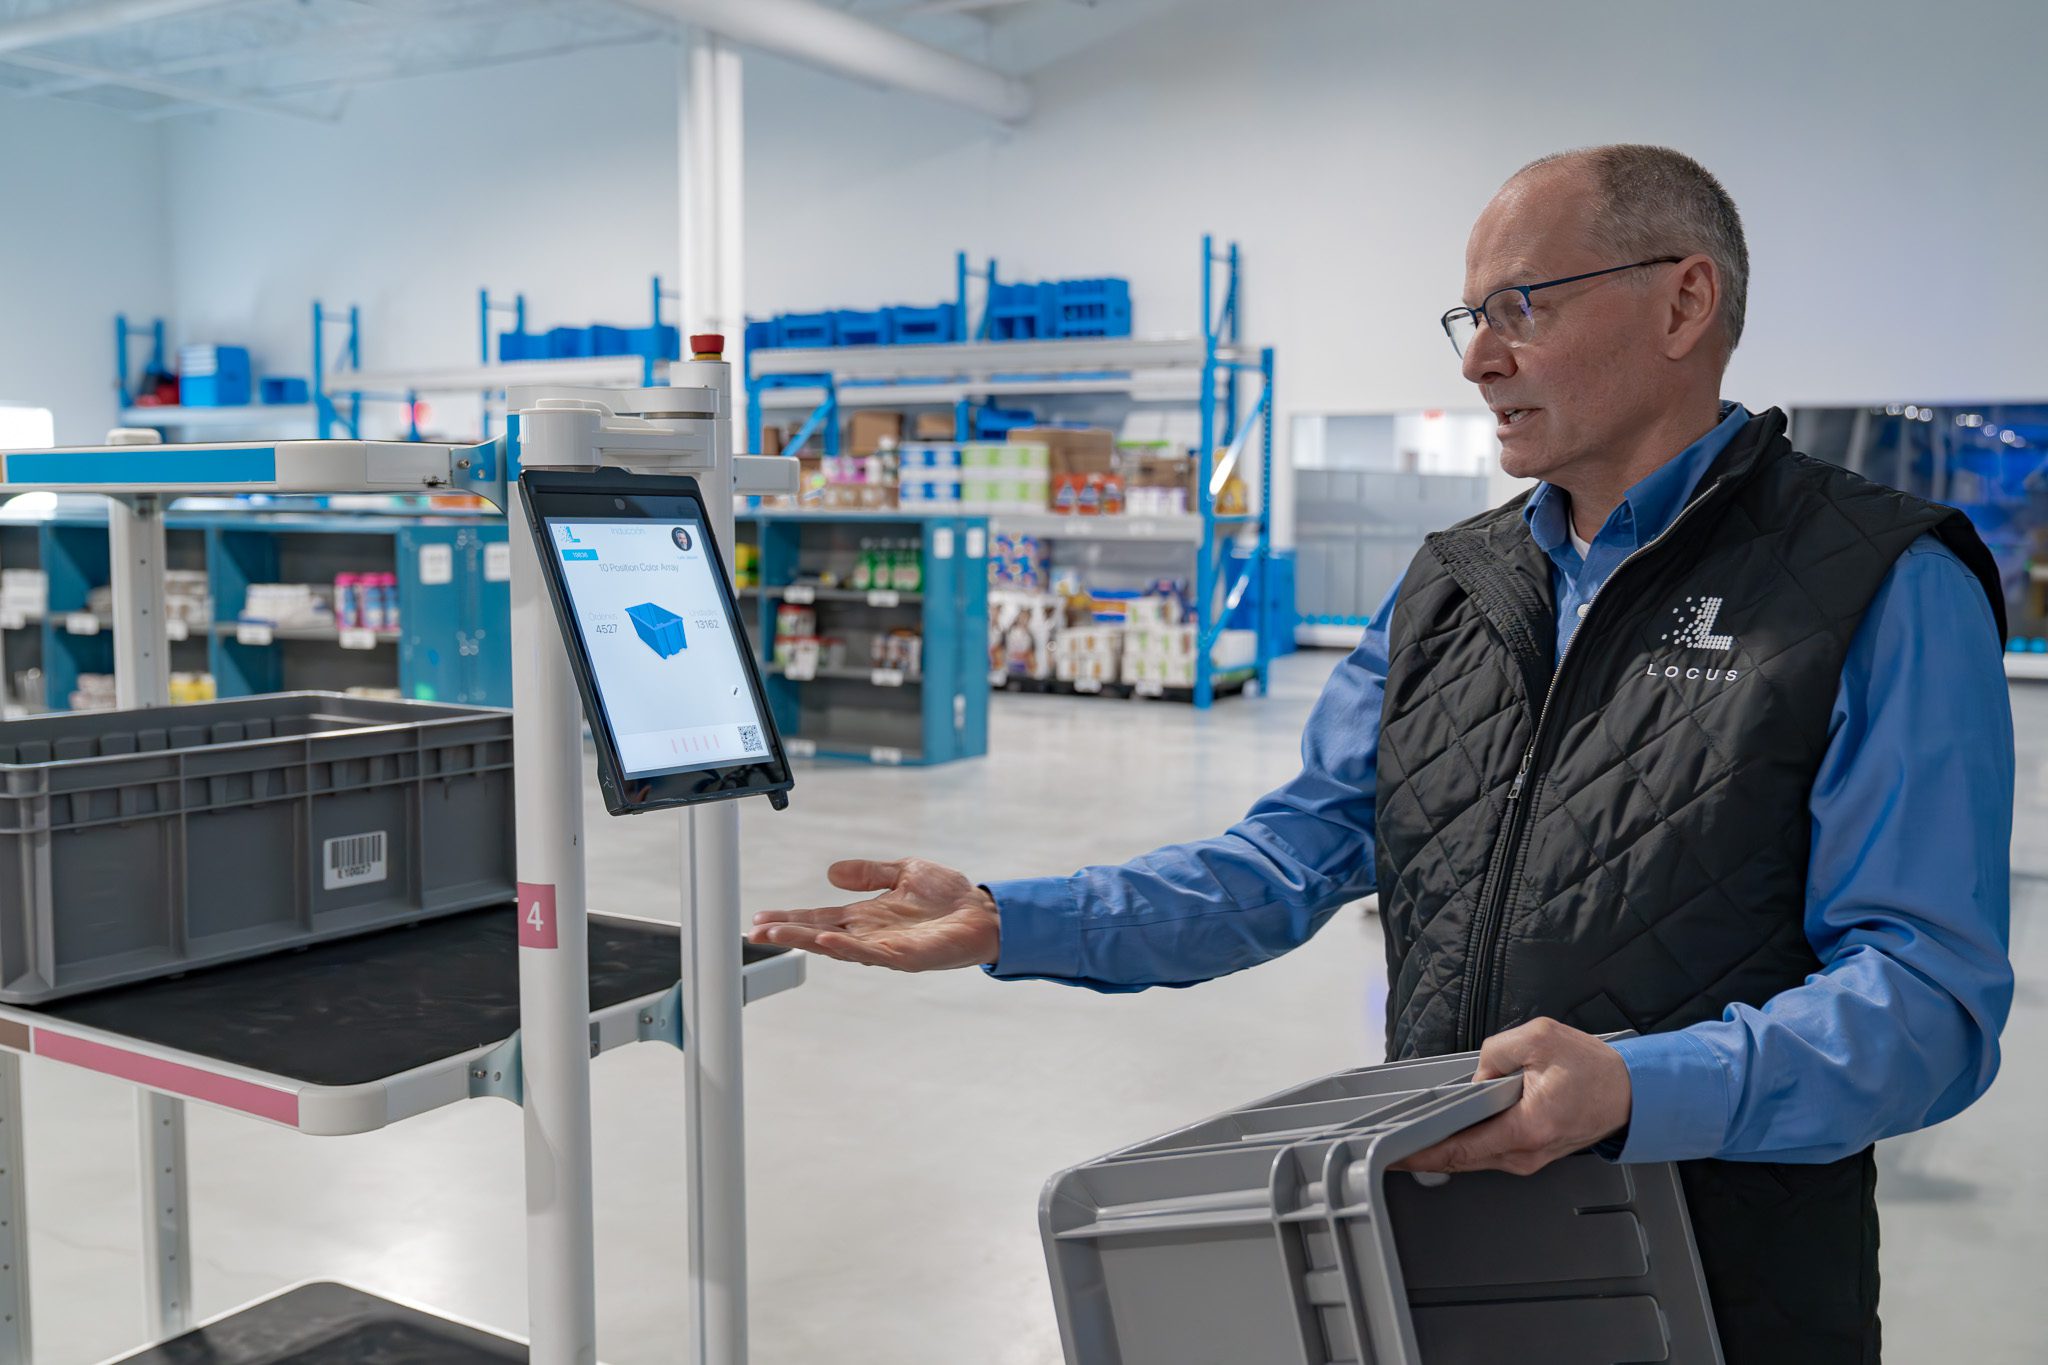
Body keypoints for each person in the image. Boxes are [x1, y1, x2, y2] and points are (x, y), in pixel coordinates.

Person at [749, 145, 2015, 1364]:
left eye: (1521, 304)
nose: (1478, 358)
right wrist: (1004, 920)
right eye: (1465, 316)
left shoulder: (1876, 583)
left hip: (1722, 1280)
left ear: (1684, 300)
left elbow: (1926, 1004)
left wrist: (1632, 1088)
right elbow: (1284, 859)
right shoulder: (1452, 586)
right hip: (1435, 1238)